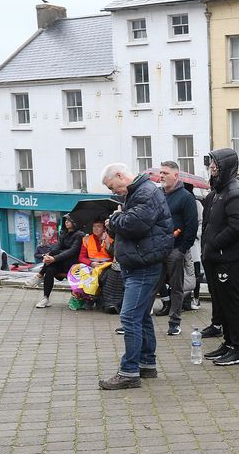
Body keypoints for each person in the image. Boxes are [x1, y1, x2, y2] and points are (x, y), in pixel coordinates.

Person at [98, 163, 173, 389]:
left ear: (120, 175)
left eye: (113, 186)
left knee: (129, 317)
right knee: (140, 316)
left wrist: (115, 220)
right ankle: (147, 364)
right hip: (141, 262)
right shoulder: (140, 192)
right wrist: (119, 219)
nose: (114, 192)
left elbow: (134, 225)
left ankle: (129, 372)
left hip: (143, 265)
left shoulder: (145, 192)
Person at [199, 148, 239, 366]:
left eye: (215, 165)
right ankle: (229, 343)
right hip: (216, 258)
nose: (212, 168)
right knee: (222, 303)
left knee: (233, 303)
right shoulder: (218, 192)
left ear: (226, 167)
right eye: (211, 164)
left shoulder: (235, 192)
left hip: (228, 259)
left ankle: (238, 349)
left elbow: (238, 227)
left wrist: (214, 243)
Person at [153, 161, 198, 337]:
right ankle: (138, 321)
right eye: (160, 172)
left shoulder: (186, 197)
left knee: (176, 287)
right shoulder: (157, 194)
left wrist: (182, 249)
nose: (161, 176)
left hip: (175, 249)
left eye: (165, 173)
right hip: (157, 249)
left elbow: (191, 225)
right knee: (151, 285)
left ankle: (174, 323)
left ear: (176, 175)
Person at [33, 214, 85, 309]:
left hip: (72, 263)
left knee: (54, 253)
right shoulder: (63, 233)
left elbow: (73, 251)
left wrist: (54, 258)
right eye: (65, 220)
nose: (66, 222)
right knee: (50, 269)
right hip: (61, 261)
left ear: (74, 222)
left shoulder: (80, 235)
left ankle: (40, 275)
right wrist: (49, 256)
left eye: (69, 220)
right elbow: (57, 246)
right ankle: (46, 298)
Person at [68, 218, 114, 310]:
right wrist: (91, 263)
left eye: (99, 226)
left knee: (103, 275)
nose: (96, 229)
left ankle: (96, 298)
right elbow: (81, 257)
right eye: (94, 226)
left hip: (107, 266)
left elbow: (114, 255)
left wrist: (107, 242)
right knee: (78, 270)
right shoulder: (86, 239)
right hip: (91, 265)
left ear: (104, 228)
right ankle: (87, 297)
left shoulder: (111, 238)